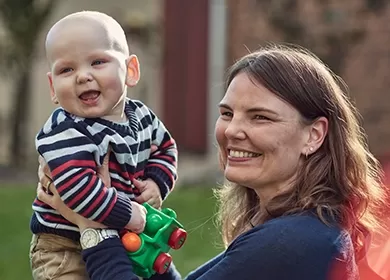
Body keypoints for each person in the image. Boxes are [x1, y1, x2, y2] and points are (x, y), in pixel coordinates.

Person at [37, 45, 388, 280]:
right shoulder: (300, 229)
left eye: (260, 117)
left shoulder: (292, 242)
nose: (233, 130)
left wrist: (93, 227)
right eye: (227, 113)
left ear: (314, 135)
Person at [29, 11, 178, 280]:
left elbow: (166, 150)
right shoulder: (65, 130)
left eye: (97, 62)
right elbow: (77, 189)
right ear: (53, 86)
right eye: (67, 69)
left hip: (128, 235)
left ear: (130, 71)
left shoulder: (142, 117)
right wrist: (130, 215)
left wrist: (157, 183)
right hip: (65, 245)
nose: (82, 76)